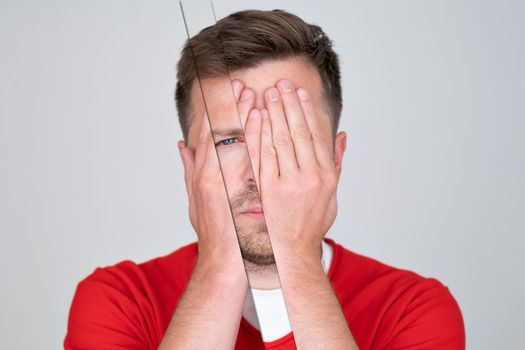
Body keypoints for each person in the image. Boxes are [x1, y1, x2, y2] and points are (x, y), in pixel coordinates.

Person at [64, 9, 465, 350]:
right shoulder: (118, 299)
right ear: (189, 167)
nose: (260, 172)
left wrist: (298, 257)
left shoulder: (413, 308)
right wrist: (222, 261)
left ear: (335, 159)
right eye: (230, 140)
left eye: (289, 138)